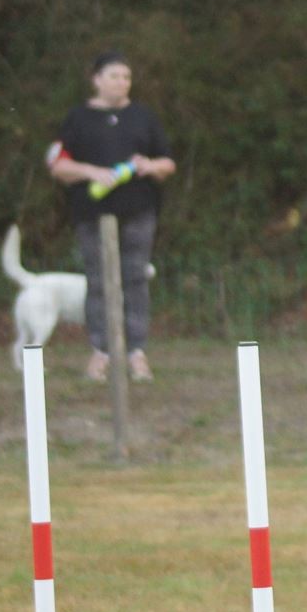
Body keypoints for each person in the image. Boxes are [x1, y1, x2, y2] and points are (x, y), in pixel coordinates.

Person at [46, 52, 176, 382]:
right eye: (115, 76)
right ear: (97, 79)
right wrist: (92, 172)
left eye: (127, 77)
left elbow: (167, 163)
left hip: (139, 213)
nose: (122, 82)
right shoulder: (78, 119)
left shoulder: (143, 117)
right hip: (93, 216)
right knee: (99, 282)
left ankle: (137, 353)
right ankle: (100, 352)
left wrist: (150, 165)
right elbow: (59, 166)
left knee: (135, 280)